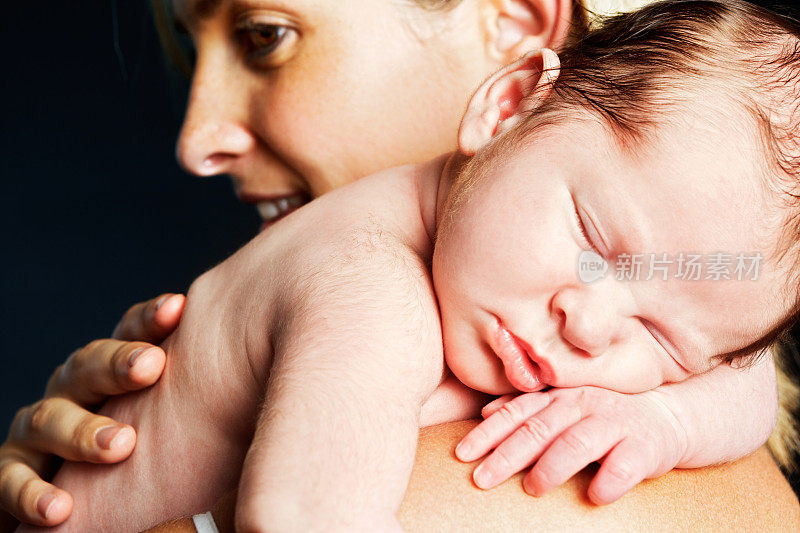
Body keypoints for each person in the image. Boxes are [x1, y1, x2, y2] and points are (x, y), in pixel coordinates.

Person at [1, 0, 798, 530]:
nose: (588, 325)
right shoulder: (373, 291)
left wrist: (665, 420)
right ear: (510, 103)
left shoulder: (528, 264)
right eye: (591, 241)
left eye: (660, 338)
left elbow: (737, 360)